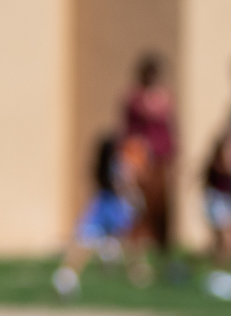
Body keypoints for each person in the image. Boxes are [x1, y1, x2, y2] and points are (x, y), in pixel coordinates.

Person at [53, 133, 148, 297]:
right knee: (120, 242)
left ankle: (69, 274)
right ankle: (129, 265)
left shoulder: (102, 170)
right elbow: (128, 184)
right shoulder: (119, 166)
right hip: (112, 211)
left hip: (103, 211)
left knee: (85, 244)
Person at [121, 53, 176, 265]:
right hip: (140, 161)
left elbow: (169, 129)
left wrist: (173, 156)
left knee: (160, 208)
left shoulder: (164, 97)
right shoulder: (133, 98)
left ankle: (162, 254)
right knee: (138, 209)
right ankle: (137, 256)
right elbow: (127, 131)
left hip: (161, 161)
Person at [201, 126, 231, 301]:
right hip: (217, 202)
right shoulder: (220, 162)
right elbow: (229, 169)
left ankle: (225, 272)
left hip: (227, 203)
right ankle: (218, 273)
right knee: (226, 241)